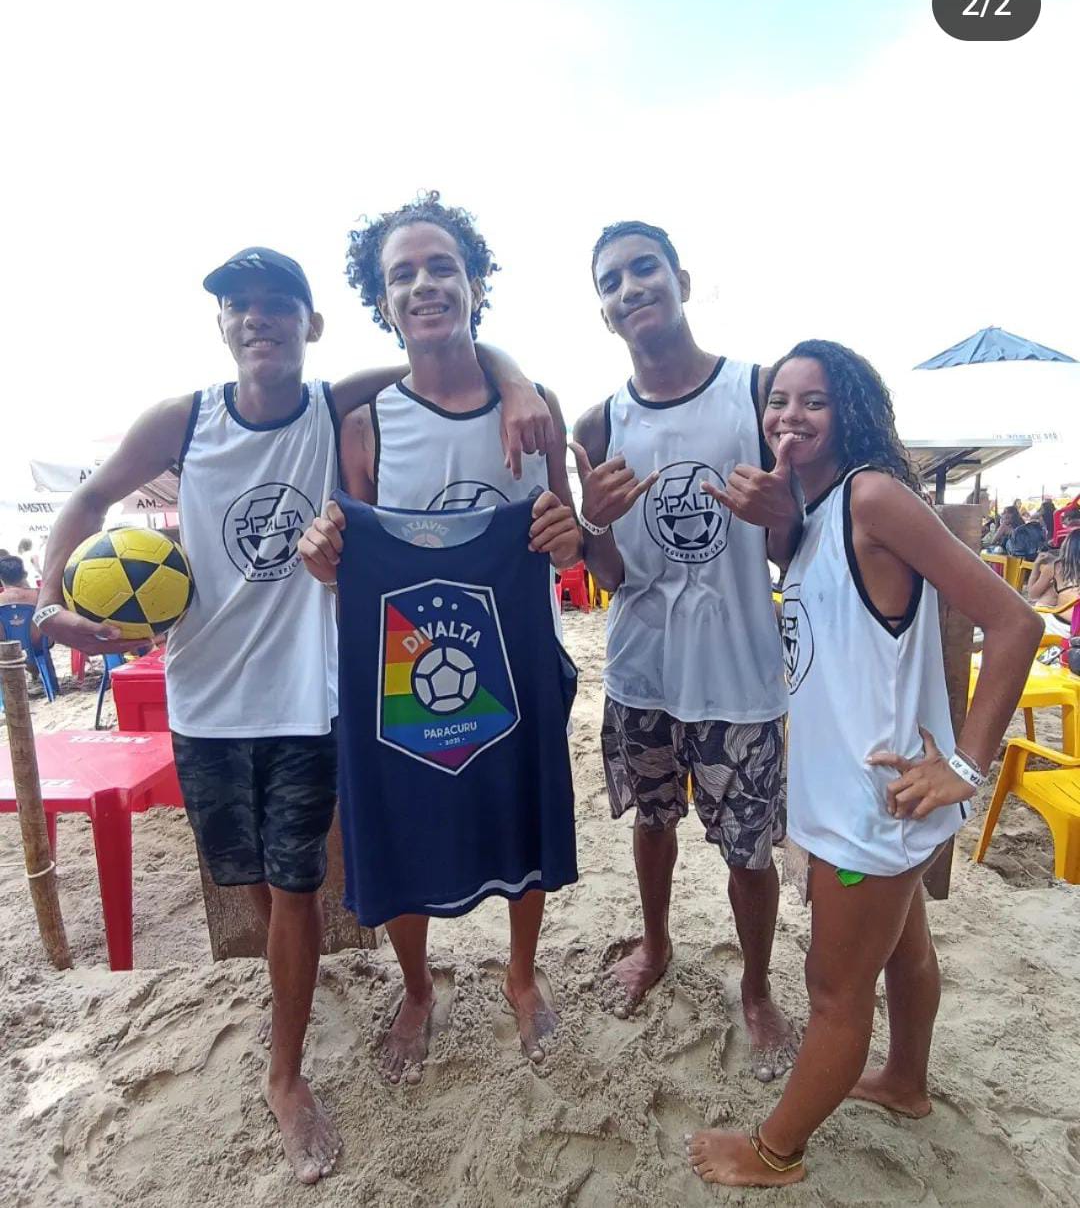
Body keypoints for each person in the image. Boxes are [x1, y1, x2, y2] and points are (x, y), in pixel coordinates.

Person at [32, 245, 551, 1185]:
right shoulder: (183, 418)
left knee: (299, 885)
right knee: (259, 887)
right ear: (221, 325)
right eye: (239, 304)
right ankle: (300, 989)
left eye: (277, 303)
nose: (257, 317)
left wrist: (515, 379)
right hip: (204, 697)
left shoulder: (330, 406)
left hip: (311, 696)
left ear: (311, 325)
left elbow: (444, 347)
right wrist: (46, 606)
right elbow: (93, 495)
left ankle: (285, 1074)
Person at [686, 339, 1042, 1188]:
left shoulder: (873, 496)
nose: (790, 415)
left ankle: (775, 1150)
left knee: (834, 991)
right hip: (871, 795)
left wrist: (967, 765)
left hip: (873, 803)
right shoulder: (821, 515)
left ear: (851, 410)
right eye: (777, 400)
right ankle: (907, 1081)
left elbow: (1016, 621)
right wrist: (780, 522)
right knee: (905, 948)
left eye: (814, 399)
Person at [298, 192, 581, 1083]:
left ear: (475, 283)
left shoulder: (534, 408)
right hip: (410, 665)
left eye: (441, 267)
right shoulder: (367, 425)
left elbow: (569, 533)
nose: (424, 284)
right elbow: (354, 567)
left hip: (519, 656)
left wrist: (567, 535)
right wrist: (326, 554)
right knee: (402, 822)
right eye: (402, 275)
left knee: (525, 810)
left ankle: (522, 974)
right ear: (383, 301)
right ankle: (417, 988)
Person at [570, 220, 799, 1081]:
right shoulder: (600, 421)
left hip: (740, 672)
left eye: (645, 268)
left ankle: (757, 986)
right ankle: (656, 944)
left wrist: (781, 516)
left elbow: (797, 548)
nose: (630, 287)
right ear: (603, 311)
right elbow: (609, 573)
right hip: (644, 671)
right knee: (652, 822)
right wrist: (593, 521)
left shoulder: (757, 392)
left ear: (682, 280)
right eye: (611, 280)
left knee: (750, 851)